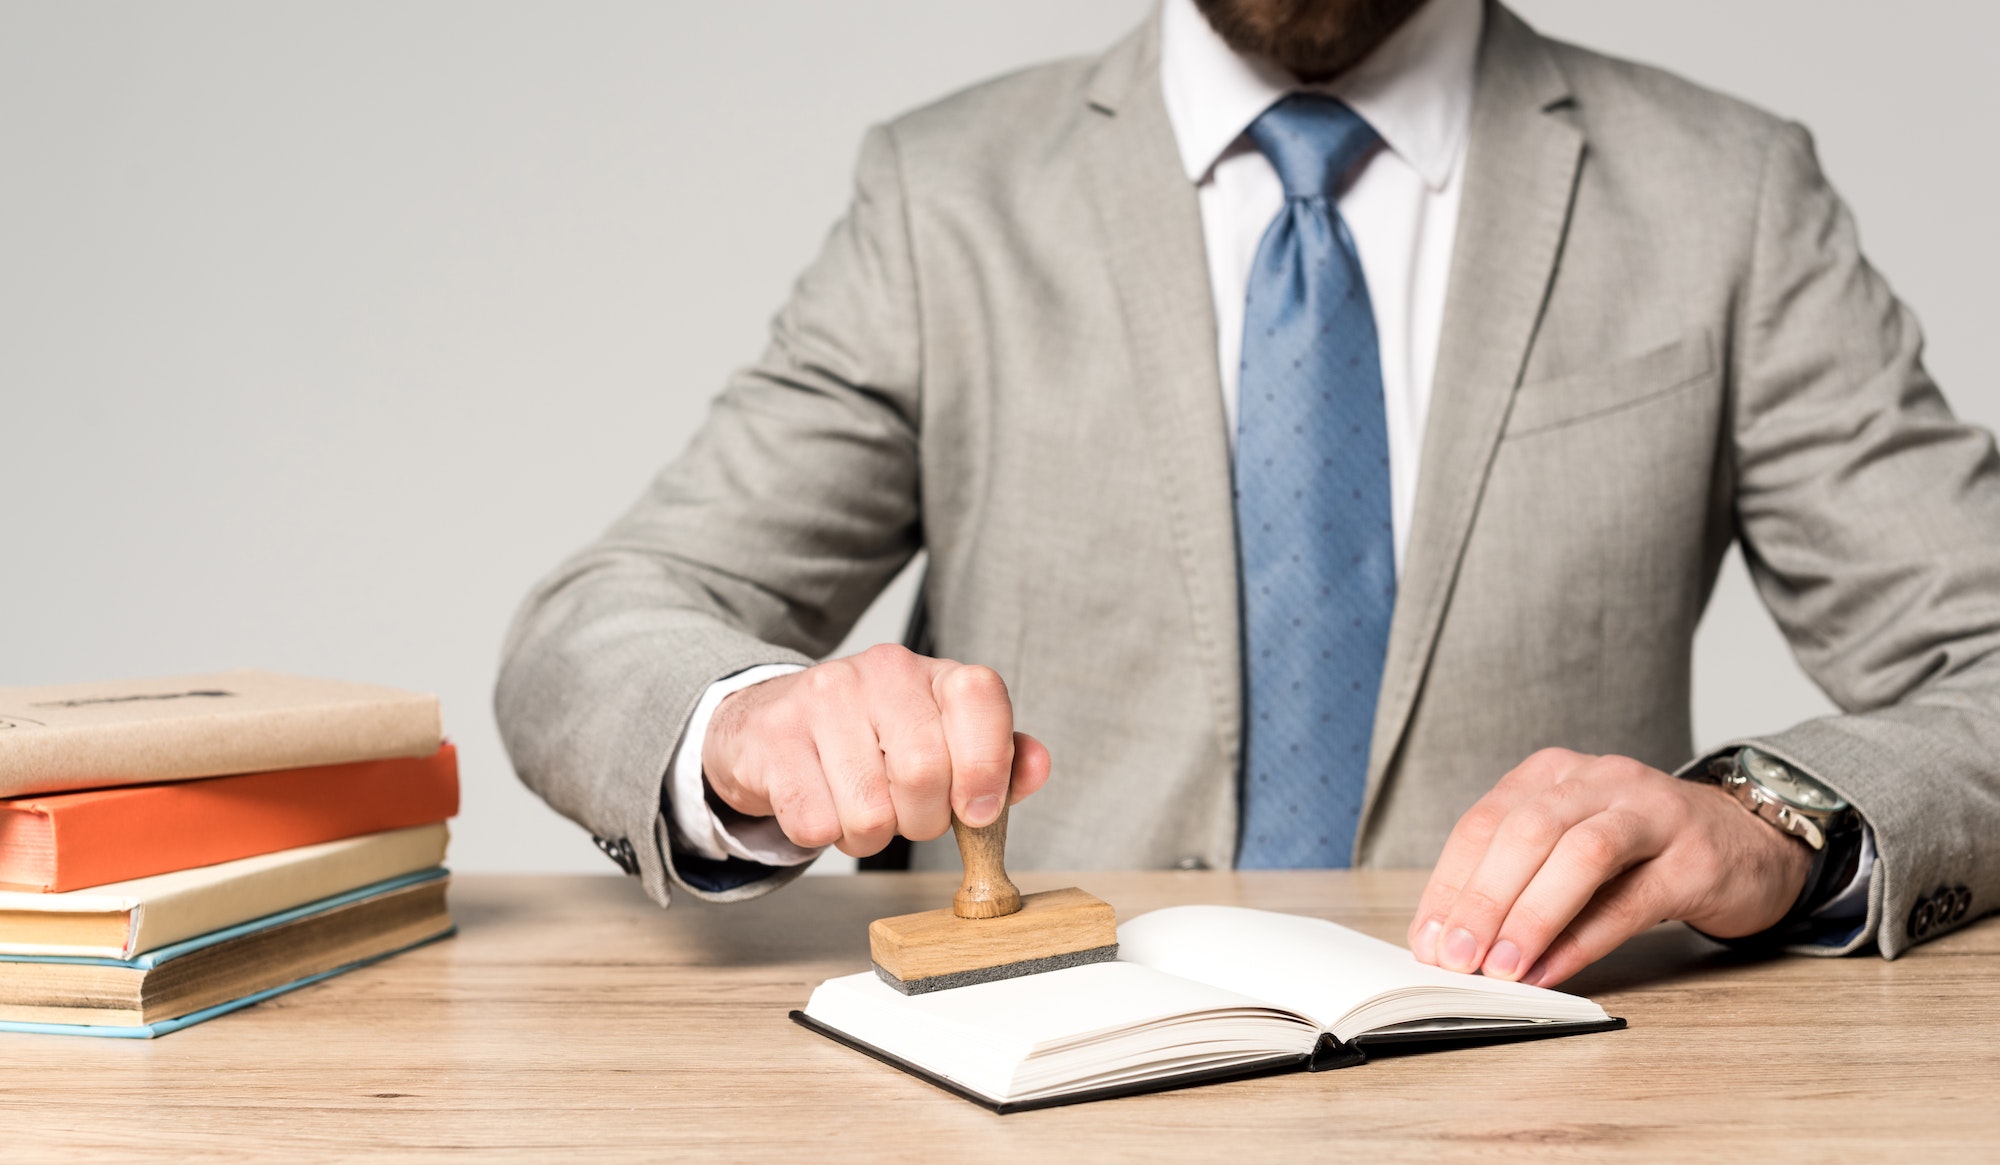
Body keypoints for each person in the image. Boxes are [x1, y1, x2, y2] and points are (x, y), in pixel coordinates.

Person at [495, 0, 2000, 986]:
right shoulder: (943, 199)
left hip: (1536, 1123)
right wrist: (748, 724)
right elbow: (593, 629)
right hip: (1022, 1121)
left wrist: (1774, 819)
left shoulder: (1726, 196)